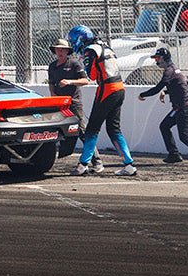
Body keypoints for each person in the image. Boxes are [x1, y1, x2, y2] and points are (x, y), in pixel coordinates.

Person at [58, 24, 137, 177]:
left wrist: (85, 60)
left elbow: (92, 76)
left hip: (107, 89)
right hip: (119, 88)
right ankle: (129, 165)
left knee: (92, 130)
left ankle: (82, 165)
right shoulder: (105, 47)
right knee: (114, 129)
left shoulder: (90, 51)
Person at [138, 47, 188, 166]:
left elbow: (158, 88)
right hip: (179, 108)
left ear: (164, 58)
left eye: (158, 58)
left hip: (183, 109)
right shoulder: (174, 70)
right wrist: (166, 92)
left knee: (184, 136)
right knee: (164, 126)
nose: (156, 61)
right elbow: (179, 86)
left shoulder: (169, 71)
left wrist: (143, 95)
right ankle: (174, 154)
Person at [48, 39, 85, 157]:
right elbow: (51, 82)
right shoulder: (52, 66)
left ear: (67, 51)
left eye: (63, 49)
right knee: (60, 129)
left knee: (81, 130)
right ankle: (62, 154)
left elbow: (85, 80)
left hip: (73, 103)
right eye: (58, 49)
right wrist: (52, 93)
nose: (60, 51)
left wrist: (70, 82)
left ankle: (96, 159)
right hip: (59, 104)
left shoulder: (74, 64)